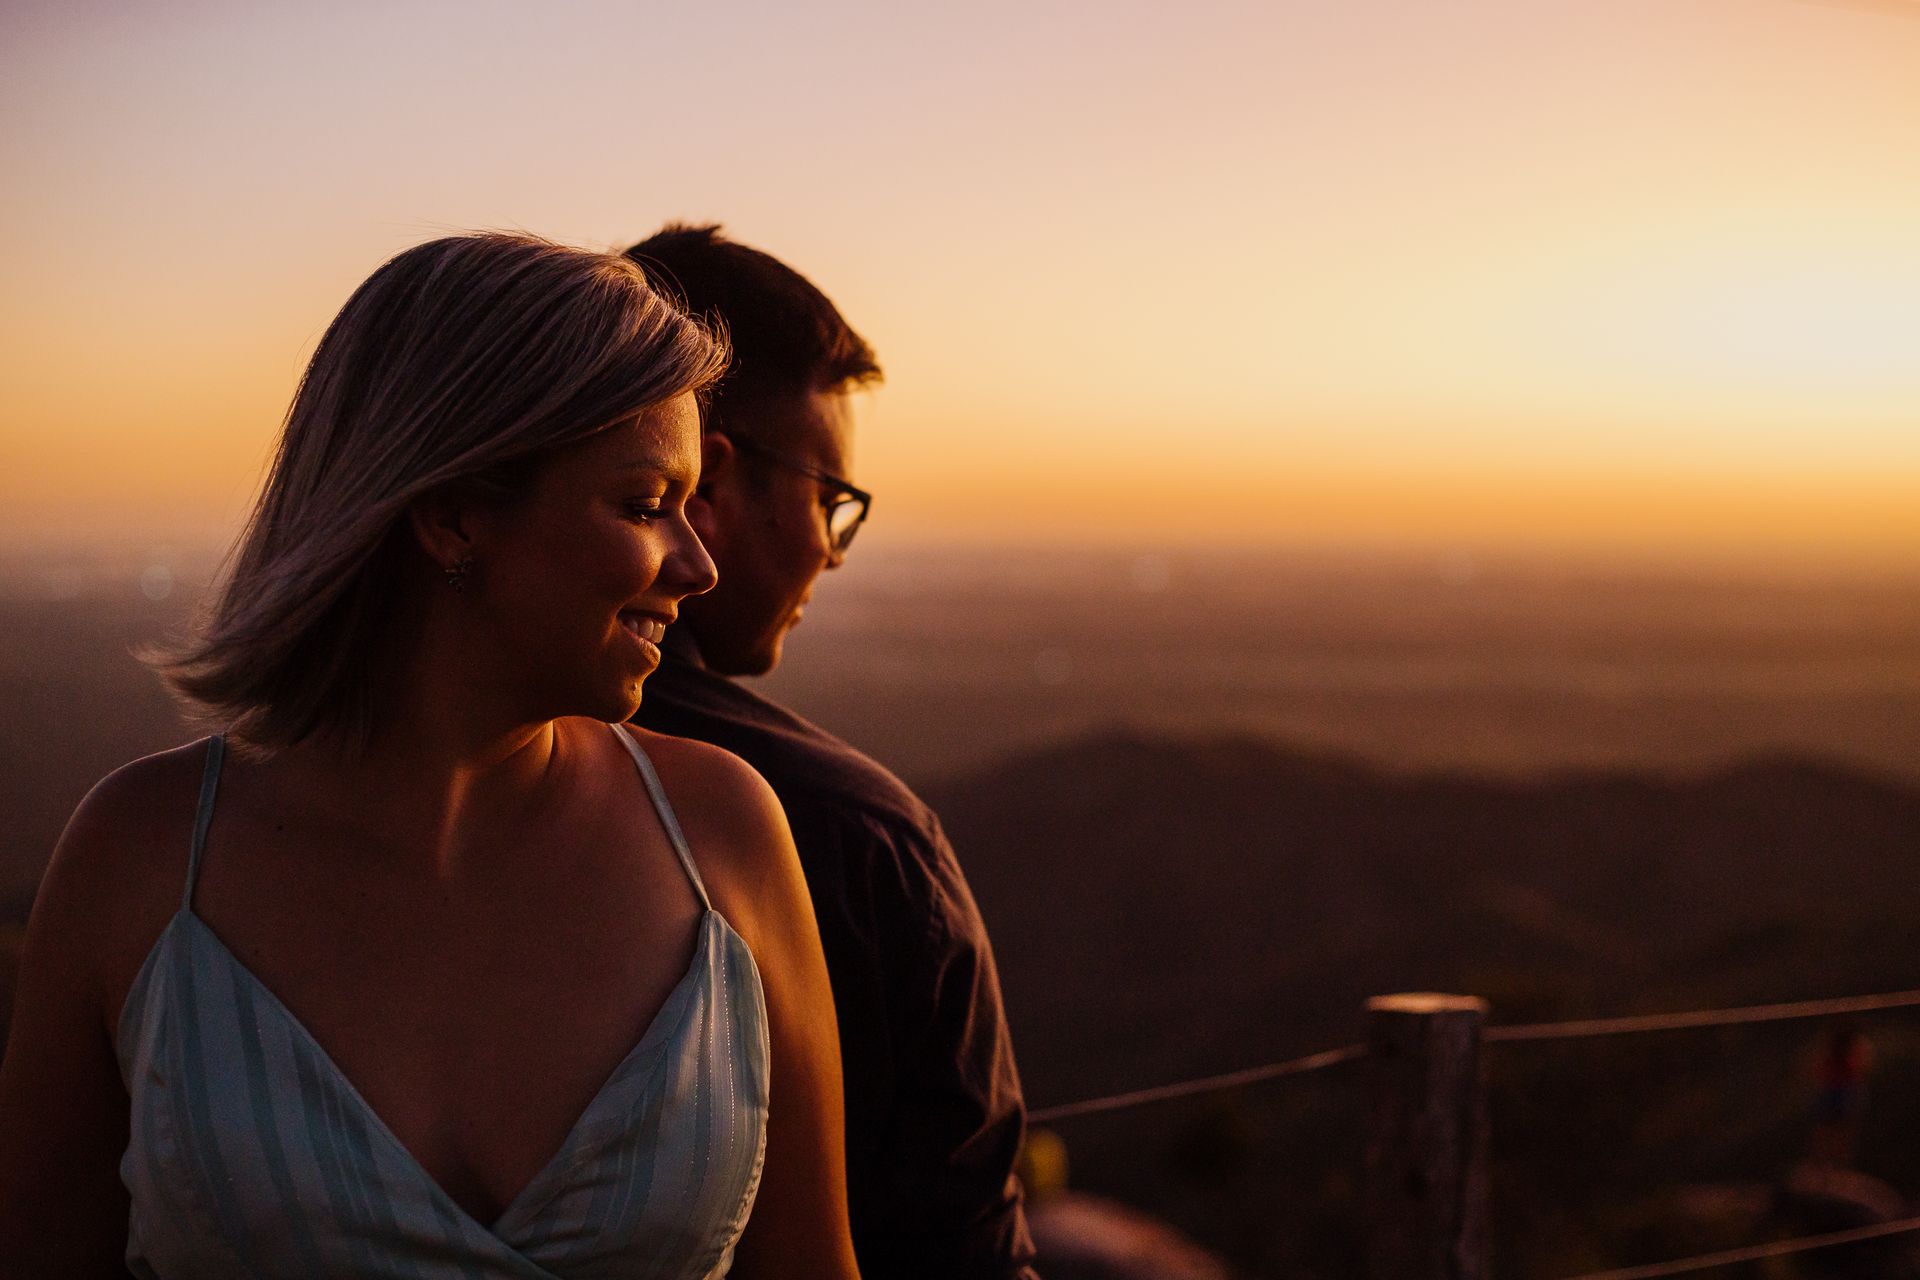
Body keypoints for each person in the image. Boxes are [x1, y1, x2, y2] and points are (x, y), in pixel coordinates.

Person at [0, 233, 860, 1280]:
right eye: (644, 504)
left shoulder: (726, 836)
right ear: (453, 514)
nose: (697, 562)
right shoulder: (140, 857)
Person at [625, 224, 1038, 1279]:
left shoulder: (355, 787)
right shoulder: (863, 843)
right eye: (828, 500)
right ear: (706, 484)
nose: (829, 551)